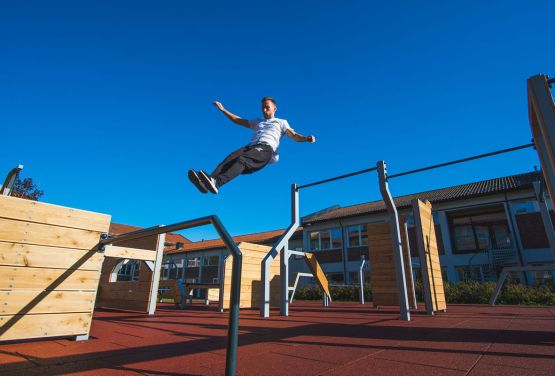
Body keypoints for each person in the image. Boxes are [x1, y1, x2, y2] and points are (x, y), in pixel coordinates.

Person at [188, 97, 316, 194]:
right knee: (230, 157)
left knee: (242, 160)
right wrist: (223, 110)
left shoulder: (282, 122)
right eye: (263, 108)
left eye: (267, 107)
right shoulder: (258, 121)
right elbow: (238, 120)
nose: (264, 110)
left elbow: (294, 135)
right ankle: (209, 181)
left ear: (274, 108)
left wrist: (306, 138)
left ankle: (217, 183)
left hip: (266, 149)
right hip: (251, 146)